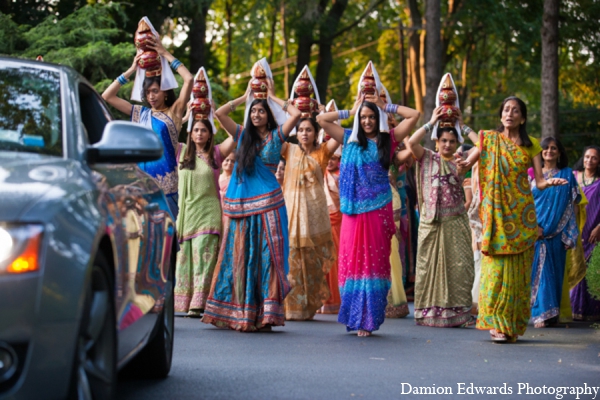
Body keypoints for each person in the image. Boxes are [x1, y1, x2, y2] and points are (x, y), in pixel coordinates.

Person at [460, 97, 567, 342]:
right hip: (496, 217)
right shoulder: (489, 139)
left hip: (521, 216)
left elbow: (539, 181)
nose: (510, 113)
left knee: (518, 273)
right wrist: (460, 163)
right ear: (501, 116)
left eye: (515, 110)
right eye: (506, 110)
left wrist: (549, 182)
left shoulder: (532, 146)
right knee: (497, 270)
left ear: (523, 117)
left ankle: (510, 326)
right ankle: (497, 324)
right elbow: (468, 161)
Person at [201, 77, 301, 332]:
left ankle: (266, 315)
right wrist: (244, 97)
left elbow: (297, 112)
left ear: (268, 116)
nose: (256, 114)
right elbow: (220, 112)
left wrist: (271, 98)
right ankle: (239, 312)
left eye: (261, 111)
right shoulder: (242, 135)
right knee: (241, 256)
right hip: (243, 208)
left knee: (268, 259)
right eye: (253, 111)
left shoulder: (278, 136)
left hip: (269, 207)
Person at [317, 93, 420, 336]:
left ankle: (369, 319)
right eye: (363, 117)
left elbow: (414, 115)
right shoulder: (349, 138)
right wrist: (350, 112)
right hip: (352, 213)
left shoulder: (389, 140)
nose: (367, 121)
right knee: (352, 262)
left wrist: (387, 106)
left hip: (378, 211)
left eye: (372, 117)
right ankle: (355, 316)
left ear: (379, 118)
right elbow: (321, 119)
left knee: (373, 263)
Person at [102, 36, 193, 218]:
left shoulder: (173, 112)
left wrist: (164, 52)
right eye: (148, 92)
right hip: (140, 186)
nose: (151, 96)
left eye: (155, 91)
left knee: (168, 239)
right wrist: (131, 70)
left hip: (167, 189)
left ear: (165, 93)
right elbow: (107, 96)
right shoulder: (140, 113)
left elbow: (189, 79)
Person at [408, 107, 475, 327]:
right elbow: (410, 143)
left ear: (457, 144)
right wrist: (431, 121)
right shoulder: (427, 157)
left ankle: (459, 314)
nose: (447, 145)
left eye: (452, 141)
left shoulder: (462, 161)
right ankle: (429, 313)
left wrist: (463, 126)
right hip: (431, 222)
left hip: (455, 222)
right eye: (443, 140)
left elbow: (483, 146)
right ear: (436, 141)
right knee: (428, 267)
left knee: (459, 266)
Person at [174, 116, 235, 317]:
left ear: (210, 135)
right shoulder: (180, 151)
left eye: (204, 130)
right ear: (190, 133)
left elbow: (236, 134)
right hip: (186, 213)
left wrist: (217, 114)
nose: (199, 133)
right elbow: (166, 132)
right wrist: (184, 118)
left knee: (204, 256)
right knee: (186, 258)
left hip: (209, 212)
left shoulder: (216, 153)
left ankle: (199, 303)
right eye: (196, 130)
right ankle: (183, 302)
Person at [280, 117, 340, 320]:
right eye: (301, 130)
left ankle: (309, 306)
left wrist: (325, 116)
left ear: (316, 133)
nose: (304, 133)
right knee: (292, 259)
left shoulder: (323, 151)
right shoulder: (288, 150)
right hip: (291, 215)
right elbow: (272, 134)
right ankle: (291, 307)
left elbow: (339, 134)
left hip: (314, 216)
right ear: (296, 134)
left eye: (309, 130)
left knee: (311, 261)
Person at [529, 137, 580, 328]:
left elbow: (571, 206)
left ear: (559, 153)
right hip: (535, 231)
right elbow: (526, 203)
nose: (549, 151)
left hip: (558, 233)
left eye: (553, 148)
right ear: (540, 152)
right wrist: (533, 227)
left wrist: (571, 233)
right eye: (545, 148)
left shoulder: (567, 174)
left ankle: (551, 315)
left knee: (554, 273)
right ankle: (540, 314)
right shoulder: (531, 174)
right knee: (539, 273)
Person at [570, 145, 600, 321]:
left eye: (594, 158)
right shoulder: (573, 176)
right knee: (574, 266)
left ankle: (590, 311)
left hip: (593, 230)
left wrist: (599, 227)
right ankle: (573, 308)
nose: (589, 160)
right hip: (574, 228)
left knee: (590, 270)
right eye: (587, 157)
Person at [320, 150, 342, 314]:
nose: (330, 161)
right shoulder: (321, 173)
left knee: (336, 260)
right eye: (328, 158)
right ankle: (322, 300)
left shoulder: (342, 175)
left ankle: (336, 300)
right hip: (322, 222)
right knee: (323, 261)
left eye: (333, 158)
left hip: (338, 223)